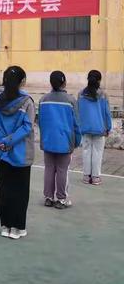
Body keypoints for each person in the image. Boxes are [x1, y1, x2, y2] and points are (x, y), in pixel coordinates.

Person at [0, 66, 35, 241]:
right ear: (22, 81)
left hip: (3, 152)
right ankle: (18, 227)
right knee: (21, 191)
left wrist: (2, 141)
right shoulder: (27, 102)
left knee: (5, 188)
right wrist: (10, 141)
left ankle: (5, 225)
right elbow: (27, 127)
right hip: (21, 153)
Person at [39, 71, 81, 209]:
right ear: (64, 83)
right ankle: (61, 199)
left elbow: (40, 122)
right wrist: (77, 141)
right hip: (65, 142)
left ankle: (48, 197)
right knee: (62, 170)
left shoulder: (43, 100)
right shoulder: (70, 100)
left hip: (48, 140)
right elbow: (76, 124)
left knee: (49, 169)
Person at [78, 70, 112, 186]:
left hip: (85, 128)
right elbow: (107, 113)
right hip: (99, 129)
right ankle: (96, 177)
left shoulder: (81, 94)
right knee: (97, 153)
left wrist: (79, 126)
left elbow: (78, 112)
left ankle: (86, 177)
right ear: (99, 80)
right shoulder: (103, 94)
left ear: (88, 79)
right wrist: (108, 127)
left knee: (86, 152)